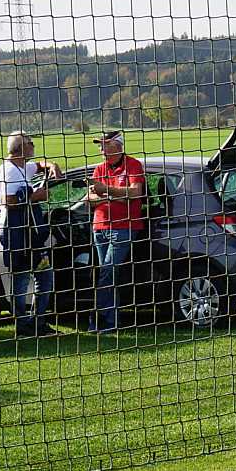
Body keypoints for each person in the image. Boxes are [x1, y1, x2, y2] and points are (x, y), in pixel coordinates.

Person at [0, 131, 60, 335]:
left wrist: (52, 165)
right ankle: (24, 324)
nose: (33, 146)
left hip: (33, 235)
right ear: (21, 148)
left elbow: (39, 165)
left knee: (45, 276)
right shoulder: (8, 171)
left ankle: (37, 321)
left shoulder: (24, 167)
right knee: (21, 280)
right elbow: (7, 201)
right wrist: (35, 196)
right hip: (17, 234)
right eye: (30, 143)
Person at [86, 130, 147, 332]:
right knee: (108, 274)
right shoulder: (99, 168)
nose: (101, 149)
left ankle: (99, 320)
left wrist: (106, 191)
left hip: (123, 227)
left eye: (105, 144)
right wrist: (117, 196)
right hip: (100, 227)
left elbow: (135, 193)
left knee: (107, 272)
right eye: (100, 145)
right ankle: (111, 321)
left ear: (118, 146)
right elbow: (89, 199)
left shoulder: (133, 165)